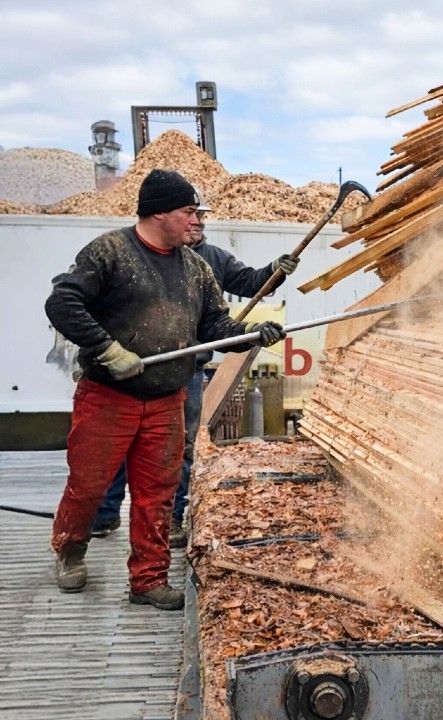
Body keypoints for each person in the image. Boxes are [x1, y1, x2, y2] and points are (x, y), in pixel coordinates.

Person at [45, 168, 287, 610]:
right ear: (160, 213)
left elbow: (214, 324)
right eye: (188, 211)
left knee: (158, 490)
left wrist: (249, 333)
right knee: (89, 484)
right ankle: (70, 550)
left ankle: (148, 579)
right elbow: (62, 302)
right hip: (108, 397)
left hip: (165, 398)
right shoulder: (109, 253)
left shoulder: (195, 268)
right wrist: (106, 347)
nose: (195, 220)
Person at [90, 202, 299, 547]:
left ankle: (170, 519)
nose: (197, 222)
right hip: (132, 369)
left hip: (184, 372)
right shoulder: (134, 255)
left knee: (179, 449)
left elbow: (247, 282)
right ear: (167, 218)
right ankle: (105, 513)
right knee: (121, 443)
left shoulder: (211, 261)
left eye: (201, 216)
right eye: (191, 215)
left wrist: (276, 270)